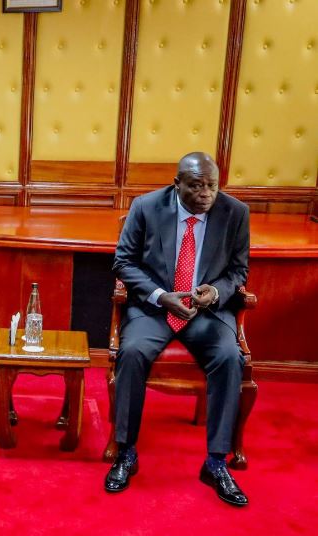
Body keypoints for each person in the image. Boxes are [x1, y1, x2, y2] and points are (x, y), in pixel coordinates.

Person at [107, 152, 250, 506]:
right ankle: (126, 452)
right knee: (132, 352)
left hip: (205, 313)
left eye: (212, 186)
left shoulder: (235, 213)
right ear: (177, 184)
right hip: (155, 308)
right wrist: (160, 296)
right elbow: (122, 261)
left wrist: (215, 292)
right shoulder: (146, 207)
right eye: (196, 186)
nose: (206, 195)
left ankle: (216, 462)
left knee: (229, 357)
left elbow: (238, 271)